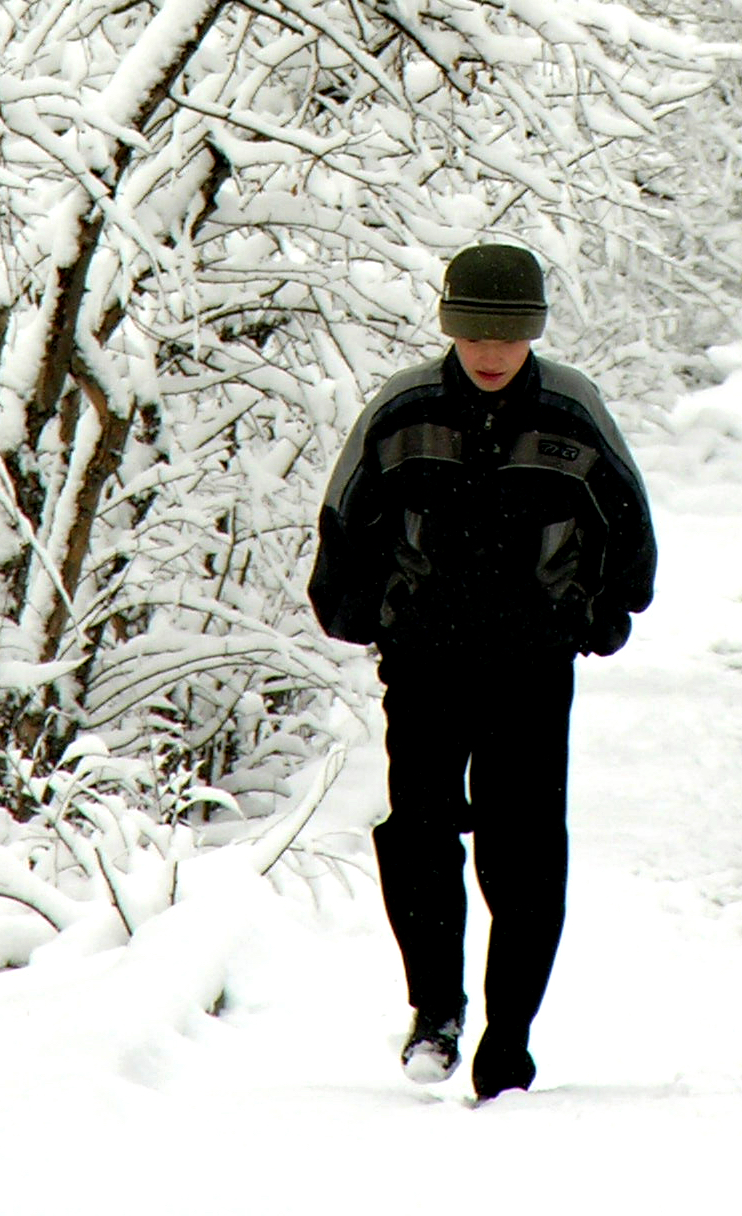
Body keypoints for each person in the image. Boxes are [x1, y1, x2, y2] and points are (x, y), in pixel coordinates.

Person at [307, 242, 656, 1103]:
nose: (491, 353)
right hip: (425, 664)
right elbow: (346, 523)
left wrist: (602, 615)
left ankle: (509, 1037)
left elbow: (628, 530)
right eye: (474, 334)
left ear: (533, 333)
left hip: (533, 669)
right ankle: (437, 1012)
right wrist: (362, 615)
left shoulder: (574, 413)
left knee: (525, 852)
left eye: (508, 335)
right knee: (419, 836)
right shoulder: (405, 411)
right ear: (448, 328)